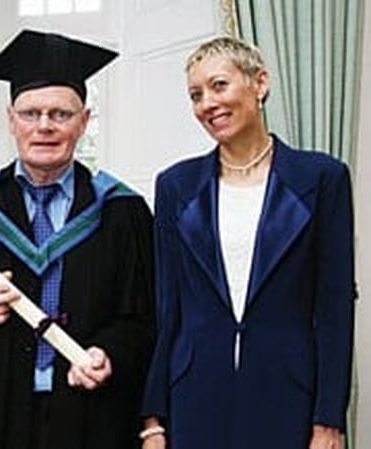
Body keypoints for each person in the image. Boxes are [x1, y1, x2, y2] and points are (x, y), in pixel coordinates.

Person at [0, 29, 155, 449]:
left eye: (60, 114)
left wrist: (109, 353)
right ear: (10, 119)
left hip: (91, 412)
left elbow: (141, 320)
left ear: (84, 121)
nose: (44, 127)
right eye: (31, 113)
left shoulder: (123, 212)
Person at [140, 36, 356, 449]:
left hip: (289, 395)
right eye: (195, 95)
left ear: (260, 83)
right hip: (195, 397)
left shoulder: (323, 178)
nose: (207, 103)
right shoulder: (175, 185)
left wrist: (329, 419)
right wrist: (153, 420)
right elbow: (168, 309)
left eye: (219, 85)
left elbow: (334, 306)